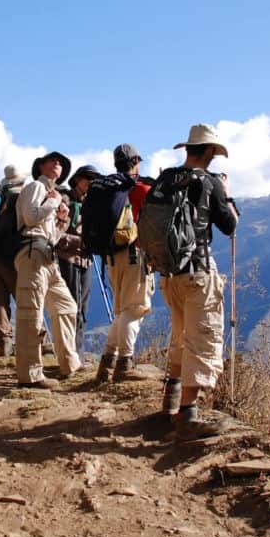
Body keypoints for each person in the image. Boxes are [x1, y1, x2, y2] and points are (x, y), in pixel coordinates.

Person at [155, 124, 239, 441]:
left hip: (168, 274)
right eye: (214, 152)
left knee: (179, 336)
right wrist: (227, 194)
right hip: (198, 272)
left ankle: (170, 405)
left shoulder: (165, 179)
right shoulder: (210, 182)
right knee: (201, 339)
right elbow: (230, 226)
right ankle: (188, 415)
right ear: (208, 151)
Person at [14, 151, 83, 389]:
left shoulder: (52, 195)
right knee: (30, 314)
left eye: (61, 163)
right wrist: (54, 203)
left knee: (67, 307)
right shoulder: (35, 187)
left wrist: (62, 221)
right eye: (52, 161)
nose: (58, 164)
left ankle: (69, 364)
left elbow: (52, 237)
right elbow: (30, 218)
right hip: (32, 252)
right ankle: (30, 376)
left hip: (46, 255)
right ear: (40, 166)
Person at [96, 144, 155, 383]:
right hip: (134, 255)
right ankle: (125, 365)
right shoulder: (141, 189)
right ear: (136, 161)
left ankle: (106, 364)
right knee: (134, 310)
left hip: (112, 257)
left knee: (121, 312)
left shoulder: (109, 190)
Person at [56, 165, 100, 354]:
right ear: (77, 180)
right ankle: (71, 354)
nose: (91, 182)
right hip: (69, 259)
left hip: (85, 260)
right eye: (87, 178)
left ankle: (76, 353)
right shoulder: (65, 201)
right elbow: (57, 234)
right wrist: (82, 242)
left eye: (94, 179)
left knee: (82, 309)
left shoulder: (91, 203)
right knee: (72, 308)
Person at [0, 165, 26, 355]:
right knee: (25, 297)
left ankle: (4, 342)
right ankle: (36, 340)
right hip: (11, 256)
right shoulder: (19, 197)